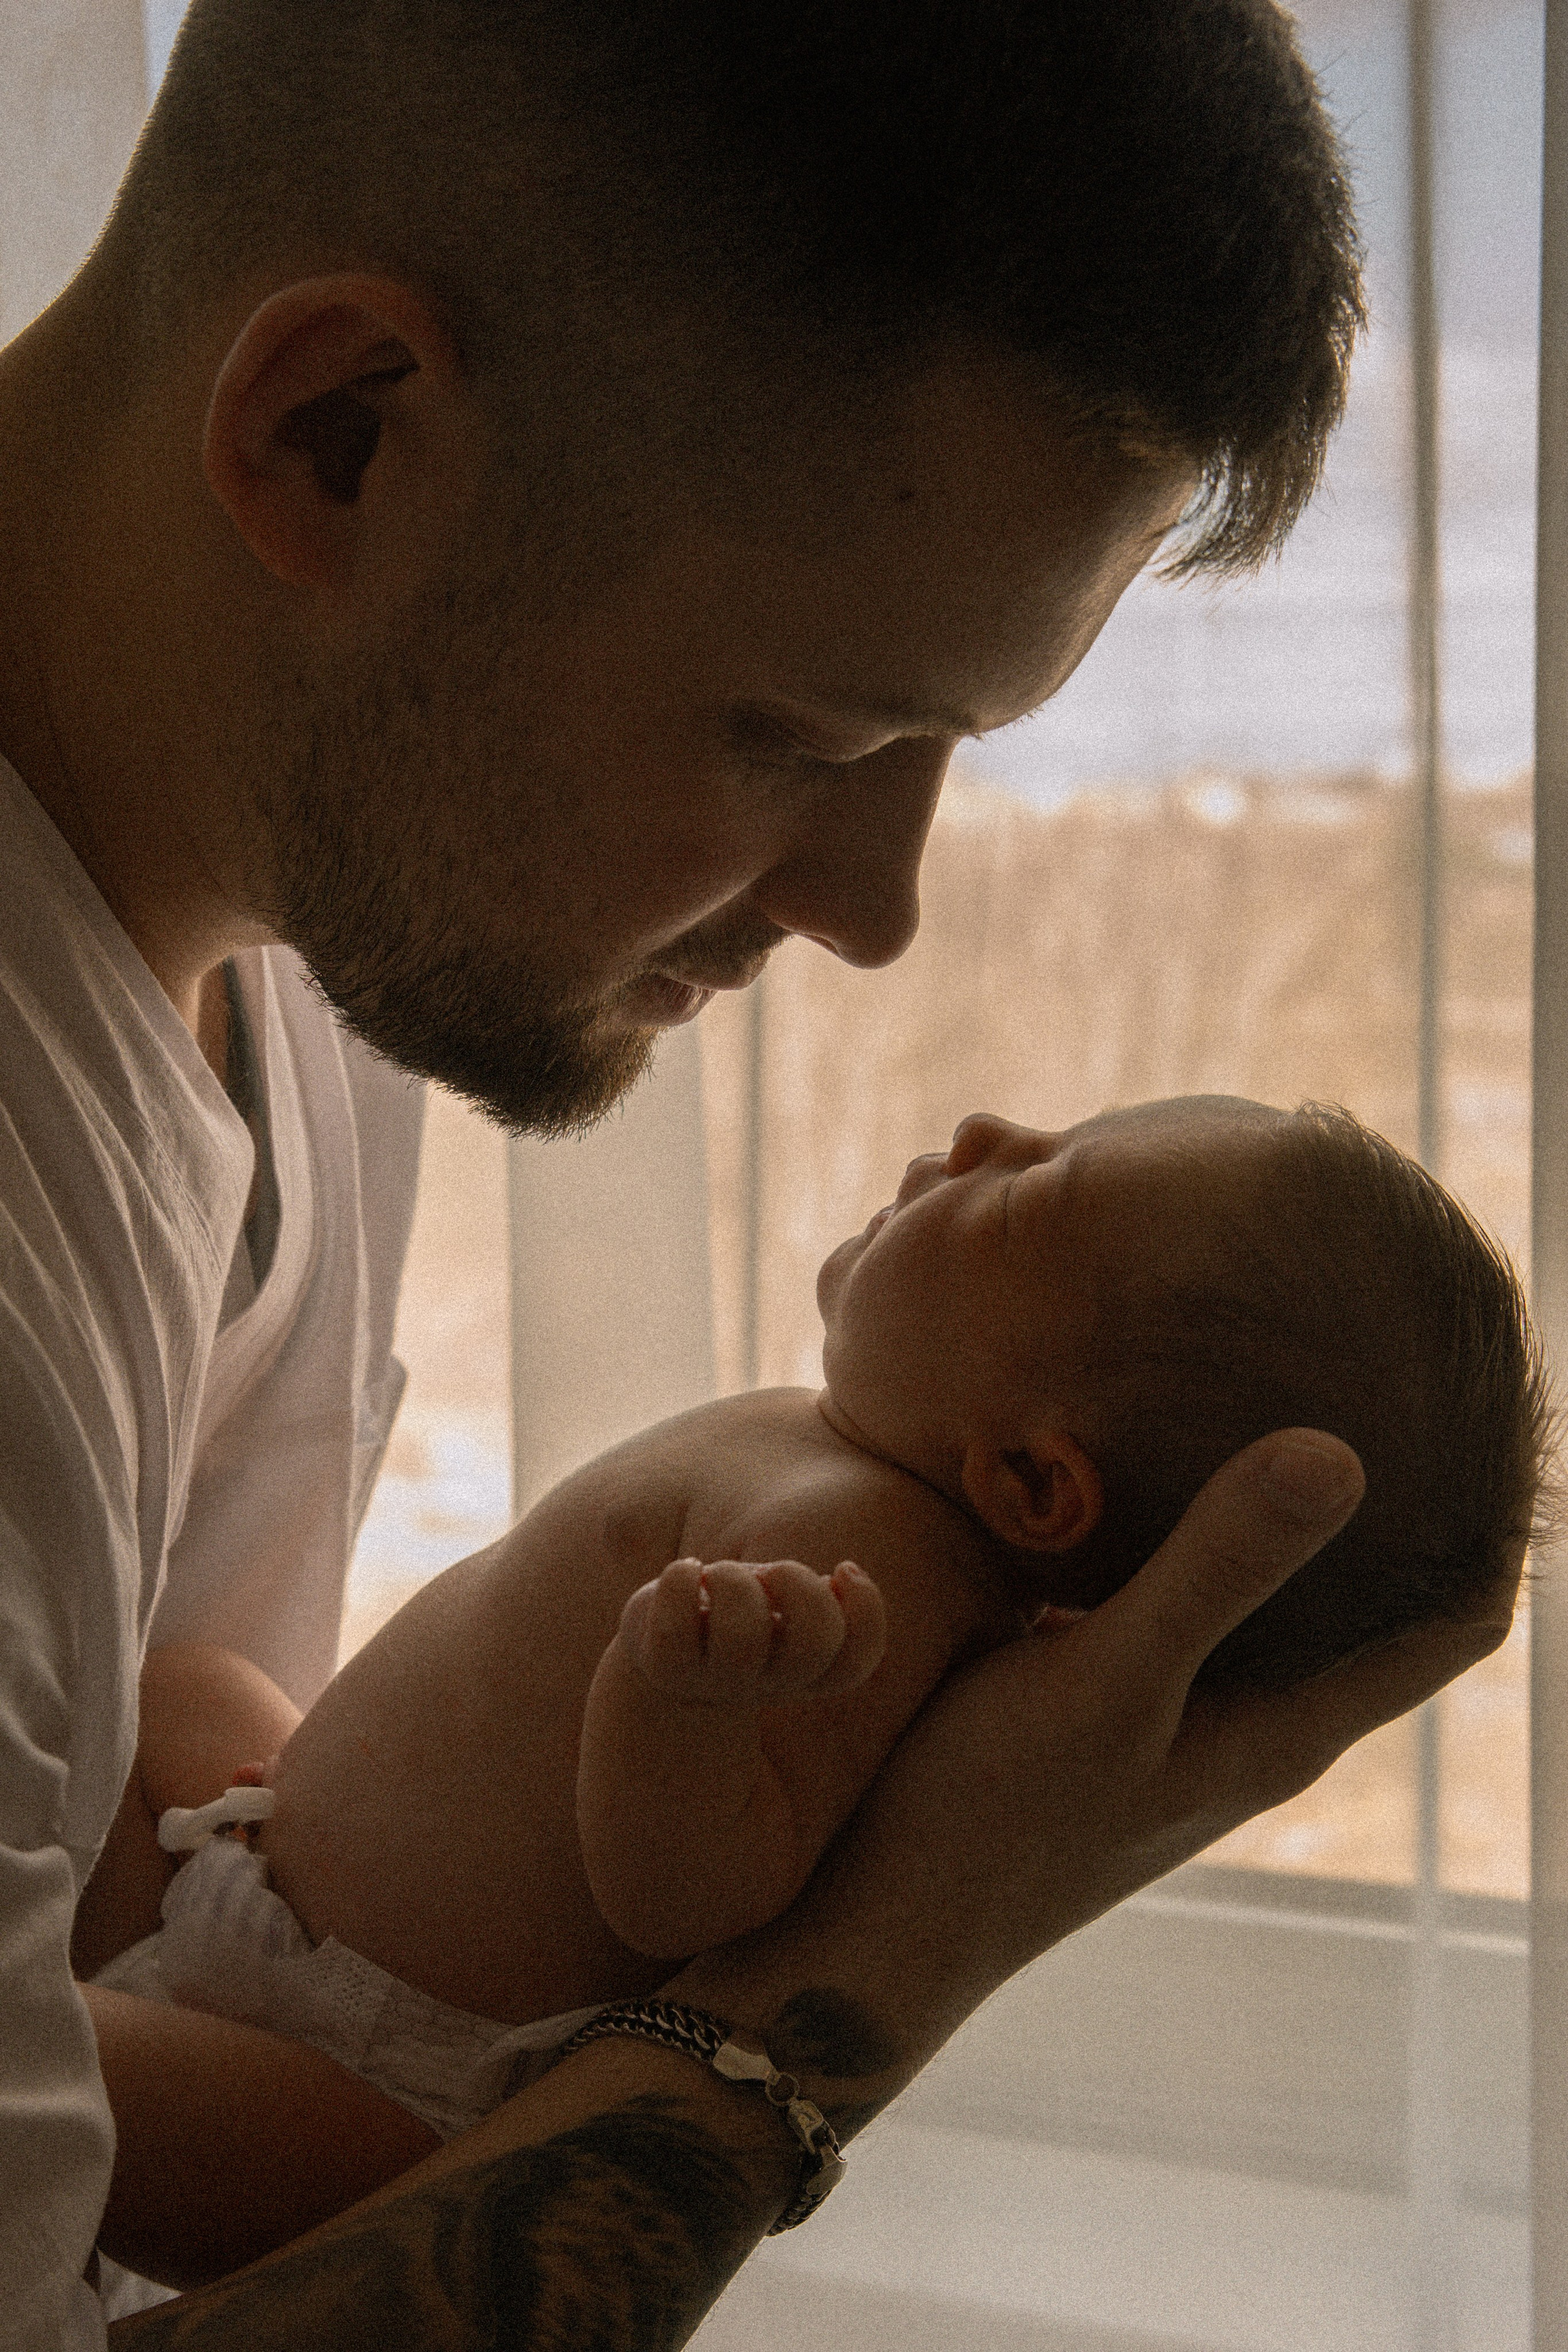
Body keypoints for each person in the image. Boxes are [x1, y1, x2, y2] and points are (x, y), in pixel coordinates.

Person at [0, 1, 1519, 2343]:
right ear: (338, 437)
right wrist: (889, 1956)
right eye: (799, 730)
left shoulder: (324, 915)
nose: (877, 913)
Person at [77, 1095, 1550, 2293]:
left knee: (54, 2076)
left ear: (1033, 1478)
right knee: (186, 1682)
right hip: (276, 1882)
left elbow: (690, 1902)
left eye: (1034, 1193)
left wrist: (682, 1709)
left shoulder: (868, 1570)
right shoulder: (834, 1466)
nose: (981, 1133)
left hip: (366, 2088)